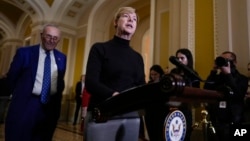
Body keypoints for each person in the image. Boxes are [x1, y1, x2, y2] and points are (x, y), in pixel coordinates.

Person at [84, 7, 146, 141]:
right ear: (115, 22)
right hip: (103, 114)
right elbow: (91, 82)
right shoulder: (99, 48)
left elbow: (141, 86)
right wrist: (115, 96)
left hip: (130, 116)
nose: (131, 20)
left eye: (134, 19)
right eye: (126, 16)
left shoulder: (137, 57)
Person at [5, 24, 67, 141]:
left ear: (59, 39)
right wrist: (18, 97)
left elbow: (59, 82)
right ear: (41, 35)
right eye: (48, 36)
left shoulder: (62, 58)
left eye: (55, 38)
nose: (51, 40)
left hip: (49, 108)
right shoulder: (24, 53)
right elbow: (12, 78)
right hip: (26, 105)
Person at [203, 51, 248, 141]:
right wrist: (213, 71)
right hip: (215, 121)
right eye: (221, 60)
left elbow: (238, 95)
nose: (223, 62)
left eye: (226, 60)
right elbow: (206, 90)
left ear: (234, 62)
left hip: (234, 122)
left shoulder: (242, 78)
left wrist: (228, 75)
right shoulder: (216, 78)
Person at [170, 48, 200, 141]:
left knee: (185, 136)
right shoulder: (173, 72)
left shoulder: (193, 74)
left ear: (188, 59)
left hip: (185, 109)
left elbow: (196, 92)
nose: (179, 60)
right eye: (177, 58)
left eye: (182, 58)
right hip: (172, 109)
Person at [144, 64, 167, 141]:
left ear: (160, 74)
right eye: (151, 74)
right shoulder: (149, 84)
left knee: (159, 133)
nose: (153, 76)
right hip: (150, 111)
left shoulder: (164, 84)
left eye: (155, 74)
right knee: (151, 133)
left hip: (161, 111)